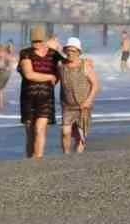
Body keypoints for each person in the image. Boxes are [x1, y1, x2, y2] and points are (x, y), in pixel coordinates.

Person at [17, 26, 62, 158]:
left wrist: (84, 63)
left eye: (39, 41)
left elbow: (66, 66)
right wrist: (50, 77)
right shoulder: (25, 53)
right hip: (28, 97)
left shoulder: (54, 54)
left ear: (45, 40)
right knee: (30, 132)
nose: (37, 44)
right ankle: (30, 160)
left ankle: (38, 160)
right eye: (34, 41)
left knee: (39, 129)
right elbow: (29, 75)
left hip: (46, 97)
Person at [57, 37, 100, 154]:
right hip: (67, 106)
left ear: (78, 52)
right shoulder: (61, 64)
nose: (70, 53)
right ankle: (66, 155)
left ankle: (78, 157)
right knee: (65, 132)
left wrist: (88, 101)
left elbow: (96, 84)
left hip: (83, 106)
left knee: (80, 135)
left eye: (73, 51)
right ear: (65, 51)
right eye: (68, 50)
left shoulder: (85, 65)